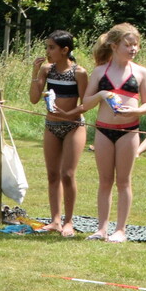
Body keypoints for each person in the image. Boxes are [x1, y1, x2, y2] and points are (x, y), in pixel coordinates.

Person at [80, 23, 146, 242]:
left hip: (128, 132)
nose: (133, 49)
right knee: (105, 181)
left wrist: (135, 111)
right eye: (128, 45)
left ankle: (120, 230)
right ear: (114, 46)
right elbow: (85, 103)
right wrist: (102, 94)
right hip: (104, 130)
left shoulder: (141, 72)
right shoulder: (100, 71)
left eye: (135, 44)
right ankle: (101, 229)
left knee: (123, 181)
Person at [28, 30, 88, 236]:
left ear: (65, 50)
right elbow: (34, 99)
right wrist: (35, 73)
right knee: (52, 174)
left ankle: (68, 221)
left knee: (67, 174)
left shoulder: (79, 72)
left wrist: (69, 114)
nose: (47, 51)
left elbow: (86, 103)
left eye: (51, 47)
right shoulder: (47, 69)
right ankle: (55, 220)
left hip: (74, 126)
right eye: (47, 47)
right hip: (51, 126)